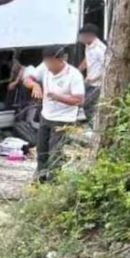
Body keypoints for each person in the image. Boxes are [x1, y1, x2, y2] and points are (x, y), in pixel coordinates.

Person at [23, 45, 85, 182]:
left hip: (64, 119)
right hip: (46, 115)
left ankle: (53, 181)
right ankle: (40, 177)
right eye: (46, 62)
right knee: (41, 149)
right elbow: (27, 79)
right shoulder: (44, 67)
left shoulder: (74, 75)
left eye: (51, 62)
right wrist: (34, 85)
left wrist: (58, 97)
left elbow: (79, 100)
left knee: (55, 151)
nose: (48, 66)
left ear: (61, 60)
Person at [77, 24, 107, 122]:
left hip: (97, 83)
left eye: (82, 36)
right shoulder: (88, 45)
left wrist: (94, 78)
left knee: (87, 103)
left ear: (90, 36)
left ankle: (92, 123)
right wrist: (79, 70)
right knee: (81, 100)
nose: (81, 39)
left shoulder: (100, 49)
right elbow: (88, 59)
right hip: (89, 81)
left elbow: (106, 67)